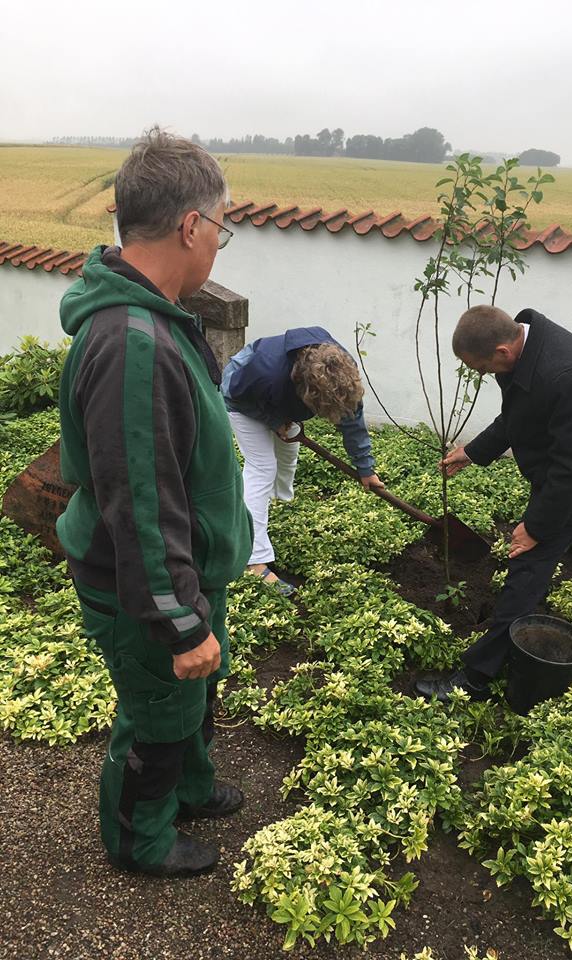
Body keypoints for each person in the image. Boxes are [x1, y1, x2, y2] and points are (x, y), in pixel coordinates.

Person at [56, 128, 253, 877]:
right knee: (157, 715)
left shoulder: (157, 315)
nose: (218, 245)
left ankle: (192, 790)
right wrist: (178, 622)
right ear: (191, 226)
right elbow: (141, 499)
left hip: (186, 574)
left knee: (197, 697)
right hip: (143, 586)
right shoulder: (133, 340)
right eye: (222, 227)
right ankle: (139, 840)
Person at [415, 305, 572, 703]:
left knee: (529, 562)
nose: (482, 374)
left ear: (501, 352)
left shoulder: (567, 374)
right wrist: (474, 452)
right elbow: (517, 414)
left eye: (481, 368)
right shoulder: (525, 350)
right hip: (566, 466)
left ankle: (476, 676)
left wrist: (537, 526)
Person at [222, 327, 384, 592]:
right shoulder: (265, 373)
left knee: (288, 453)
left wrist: (365, 468)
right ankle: (254, 560)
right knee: (263, 466)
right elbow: (235, 392)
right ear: (306, 394)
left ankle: (278, 506)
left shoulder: (342, 371)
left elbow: (351, 416)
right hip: (243, 398)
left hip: (280, 397)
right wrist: (274, 421)